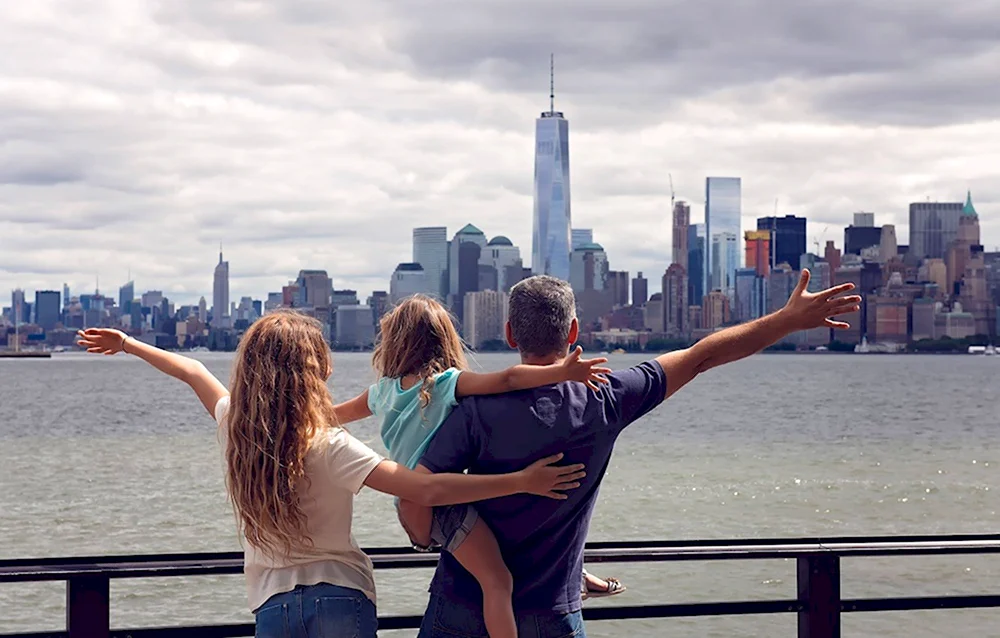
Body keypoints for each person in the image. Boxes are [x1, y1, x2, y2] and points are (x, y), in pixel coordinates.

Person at [76, 311, 587, 638]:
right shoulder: (328, 444)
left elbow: (191, 370)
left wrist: (129, 344)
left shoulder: (236, 424)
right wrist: (520, 481)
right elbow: (427, 488)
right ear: (313, 370)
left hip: (273, 606)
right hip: (342, 596)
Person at [407, 270, 861, 638]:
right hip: (551, 614)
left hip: (460, 606)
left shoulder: (472, 409)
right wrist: (787, 320)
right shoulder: (605, 398)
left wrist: (428, 537)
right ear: (574, 332)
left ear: (508, 333)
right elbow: (701, 356)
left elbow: (415, 501)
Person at [331, 294, 622, 638]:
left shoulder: (381, 392)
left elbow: (331, 417)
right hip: (446, 504)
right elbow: (508, 380)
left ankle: (577, 575)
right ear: (444, 339)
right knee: (497, 581)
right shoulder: (445, 384)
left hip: (415, 501)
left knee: (509, 534)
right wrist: (563, 372)